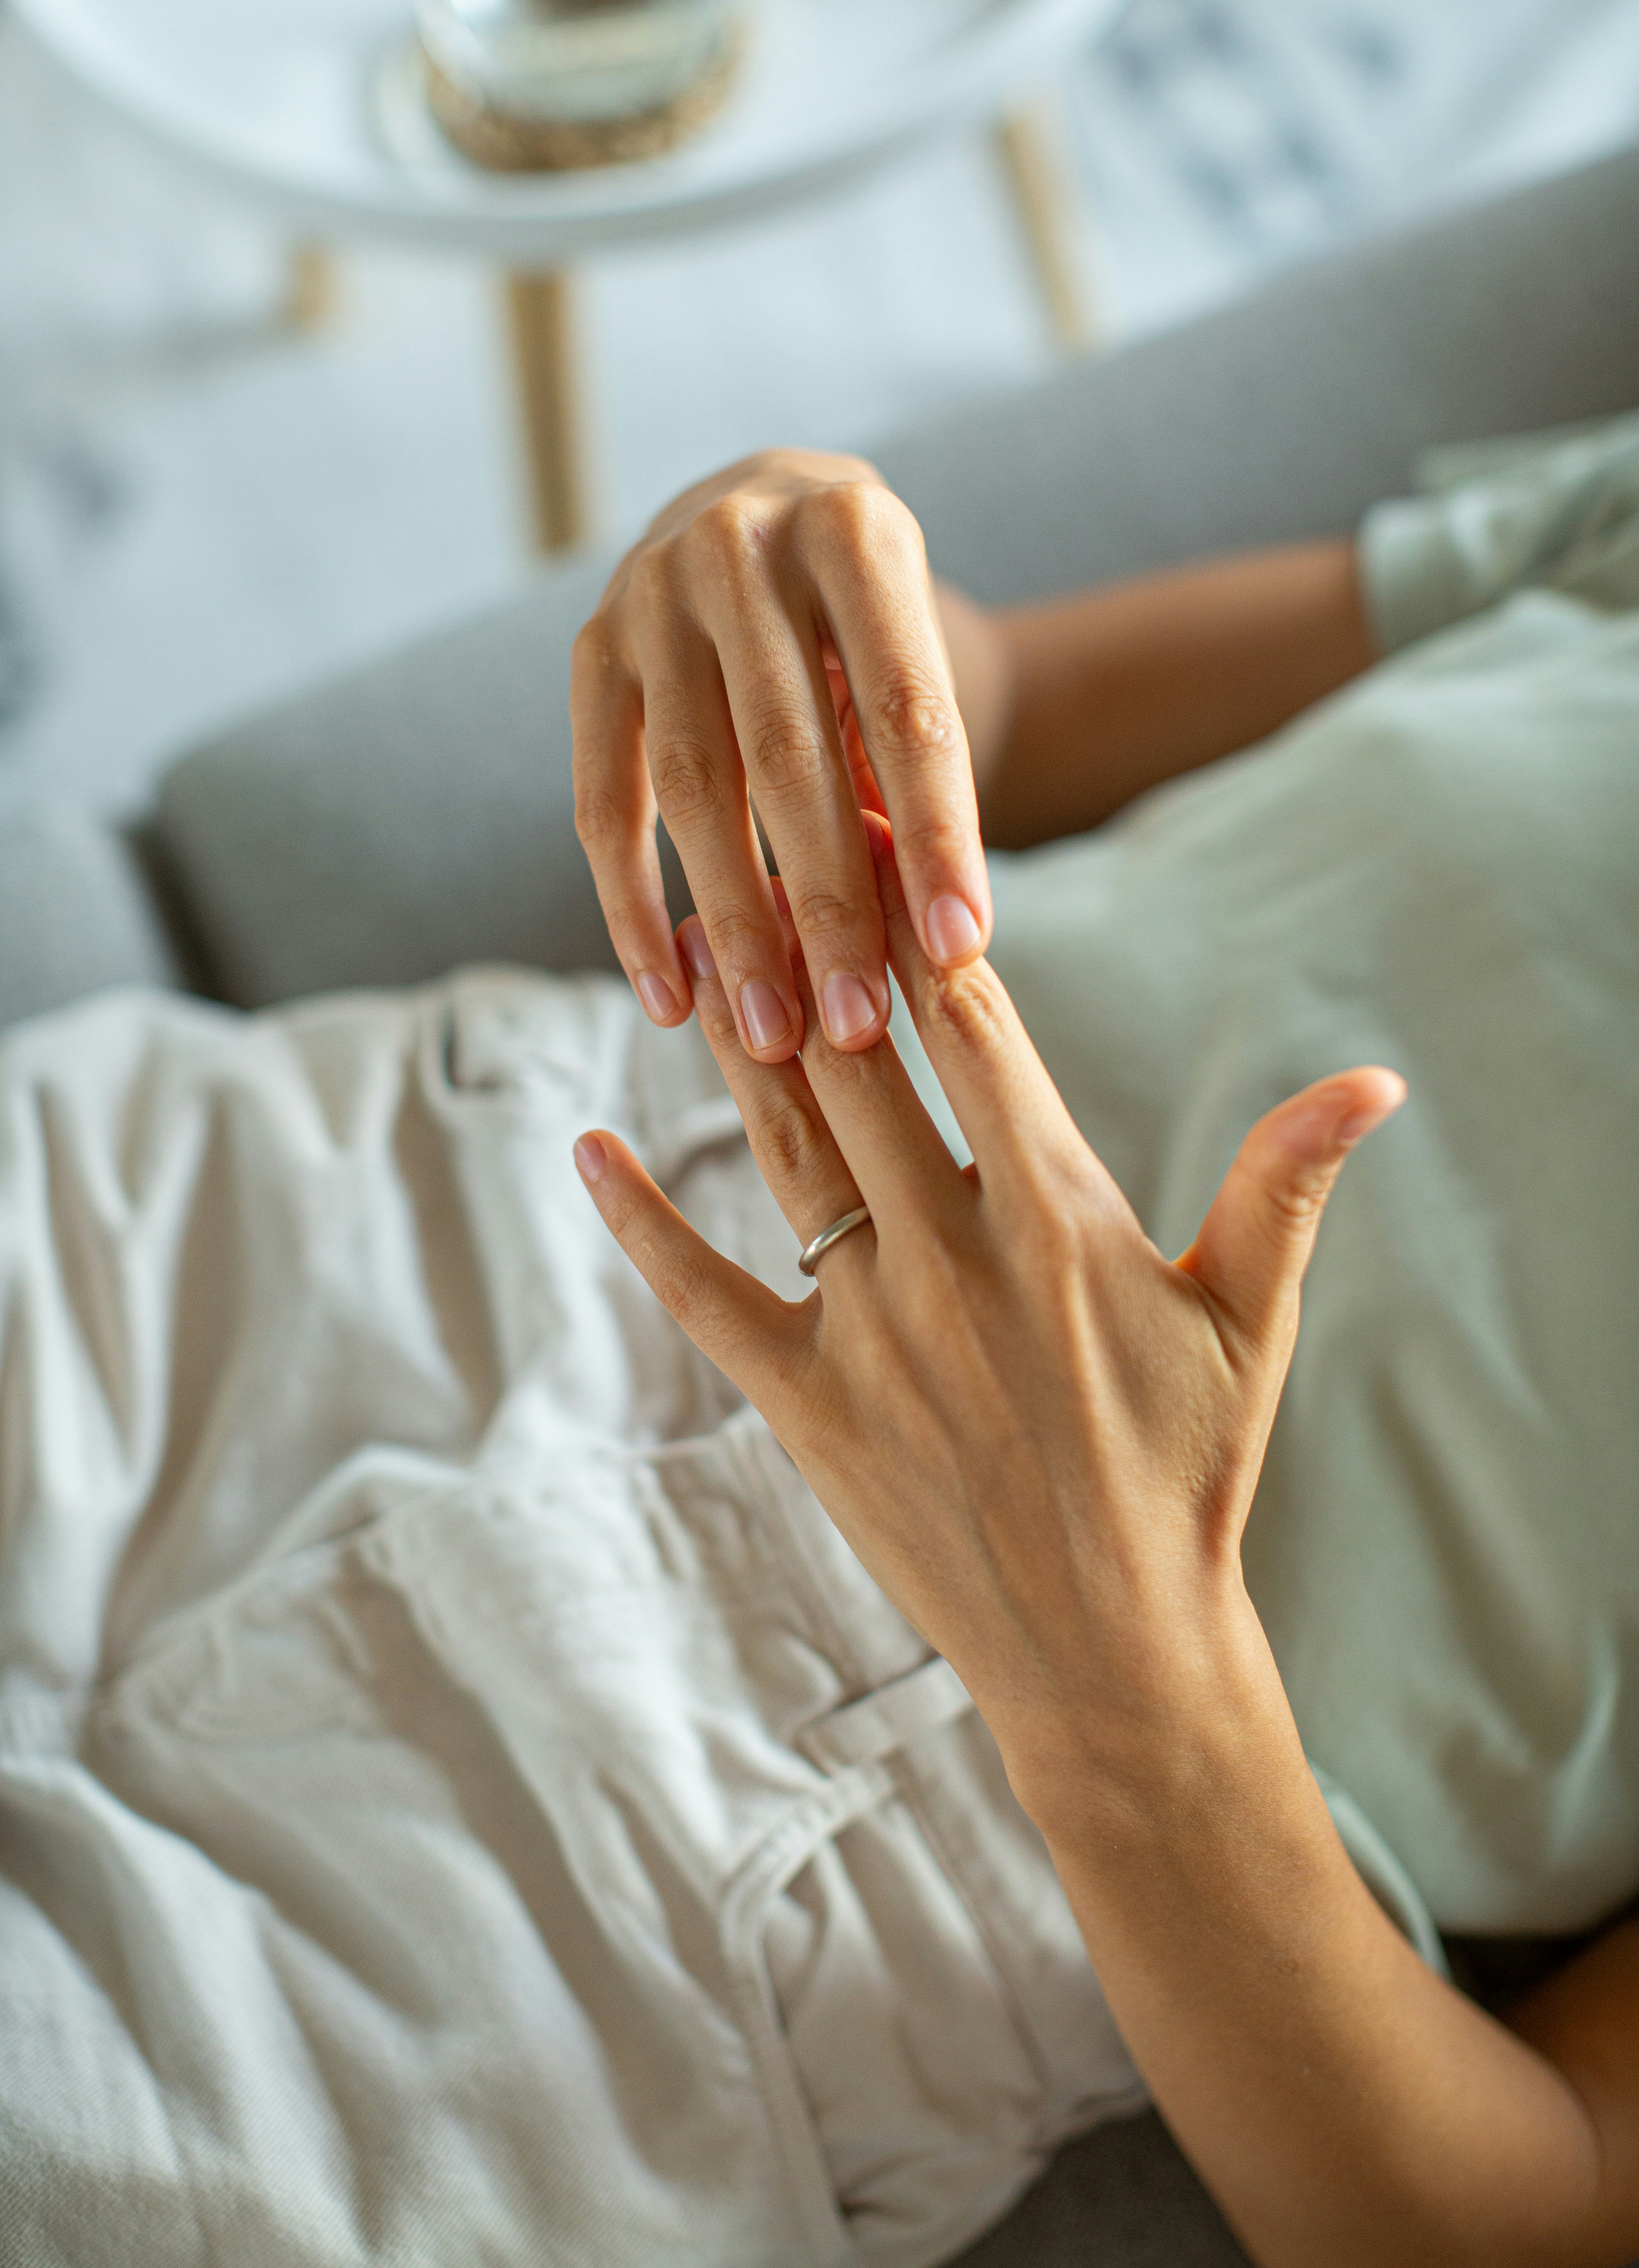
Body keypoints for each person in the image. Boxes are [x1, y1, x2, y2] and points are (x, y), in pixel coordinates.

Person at [1, 411, 1636, 2268]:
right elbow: (1016, 708)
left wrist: (1123, 1682)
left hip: (797, 1863)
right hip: (446, 1187)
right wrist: (788, 605)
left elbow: (1505, 2226)